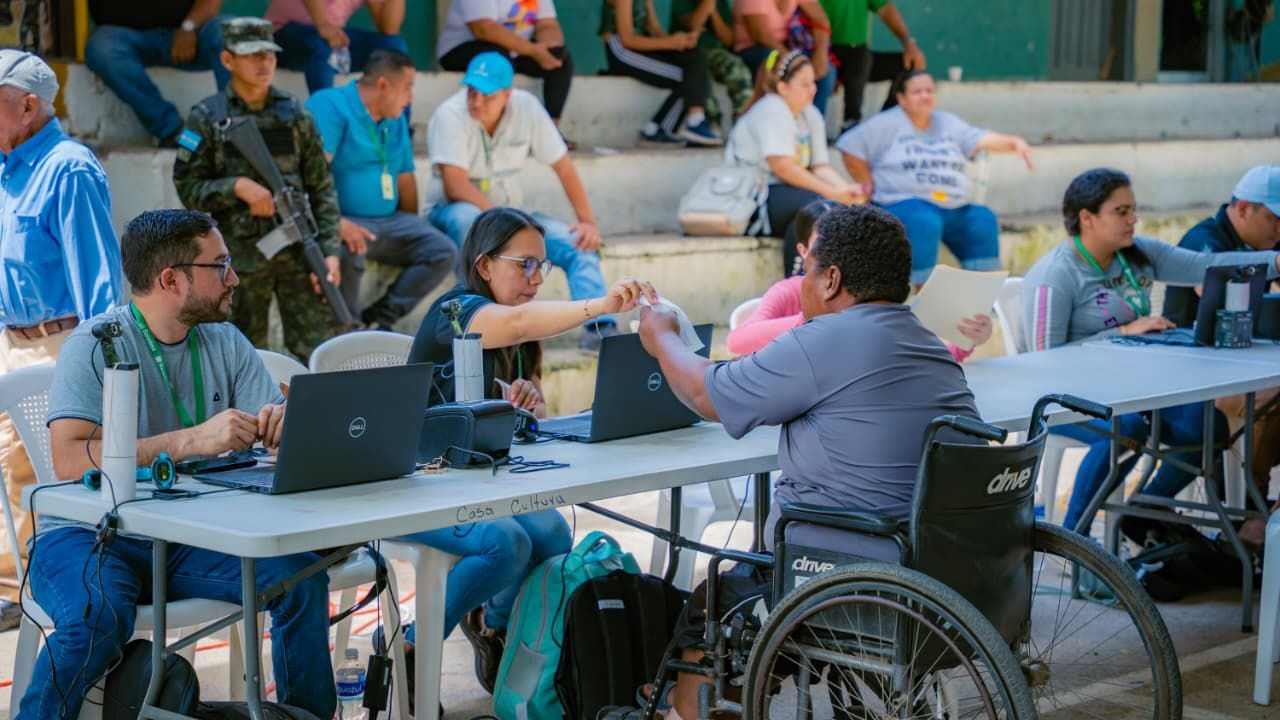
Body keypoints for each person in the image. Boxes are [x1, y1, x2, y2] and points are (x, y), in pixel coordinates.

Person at [638, 203, 980, 720]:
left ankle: (688, 712)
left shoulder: (826, 339)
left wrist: (660, 338)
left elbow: (707, 393)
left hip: (849, 570)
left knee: (717, 598)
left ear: (831, 278)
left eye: (807, 270)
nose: (801, 282)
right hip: (942, 571)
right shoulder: (927, 342)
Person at [23, 208, 334, 719]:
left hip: (189, 537)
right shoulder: (95, 344)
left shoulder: (225, 340)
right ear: (171, 279)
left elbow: (273, 424)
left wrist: (285, 423)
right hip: (90, 534)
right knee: (96, 617)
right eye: (221, 265)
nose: (234, 278)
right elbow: (68, 457)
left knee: (301, 578)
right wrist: (189, 441)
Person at [398, 207, 658, 695]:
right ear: (484, 265)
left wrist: (526, 403)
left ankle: (495, 627)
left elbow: (520, 417)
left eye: (543, 265)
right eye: (526, 264)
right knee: (509, 544)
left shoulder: (520, 337)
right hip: (420, 482)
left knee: (555, 537)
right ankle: (411, 648)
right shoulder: (454, 312)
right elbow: (515, 322)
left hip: (480, 478)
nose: (536, 278)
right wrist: (598, 304)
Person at [1021, 167, 1280, 535]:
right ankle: (1076, 545)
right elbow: (1043, 359)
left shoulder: (1137, 254)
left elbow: (1205, 267)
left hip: (1131, 390)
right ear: (1087, 218)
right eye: (1121, 212)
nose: (1133, 219)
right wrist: (1122, 331)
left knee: (1206, 427)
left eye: (1133, 209)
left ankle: (1141, 511)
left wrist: (1274, 262)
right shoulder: (1056, 275)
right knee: (1126, 429)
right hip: (1067, 396)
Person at [0, 50, 123, 632]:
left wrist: (97, 363)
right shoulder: (7, 165)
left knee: (52, 472)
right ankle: (11, 590)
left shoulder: (68, 167)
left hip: (60, 344)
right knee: (8, 471)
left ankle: (55, 592)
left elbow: (98, 282)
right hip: (10, 341)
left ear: (28, 106)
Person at [174, 17, 345, 361]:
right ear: (227, 61)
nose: (264, 63)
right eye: (252, 55)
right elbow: (188, 186)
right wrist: (235, 187)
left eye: (269, 54)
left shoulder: (295, 114)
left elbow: (322, 187)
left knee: (320, 350)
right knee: (242, 356)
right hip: (239, 261)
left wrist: (329, 250)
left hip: (298, 253)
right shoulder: (207, 117)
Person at [426, 52, 618, 354]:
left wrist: (588, 222)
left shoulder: (526, 107)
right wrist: (508, 224)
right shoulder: (450, 114)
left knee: (578, 241)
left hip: (511, 216)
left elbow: (565, 167)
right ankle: (480, 318)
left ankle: (601, 328)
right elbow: (456, 185)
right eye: (471, 91)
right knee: (468, 221)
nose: (476, 101)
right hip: (456, 209)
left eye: (487, 95)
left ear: (508, 94)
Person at [1161, 165, 1280, 545]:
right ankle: (1248, 512)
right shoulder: (1204, 243)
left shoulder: (1263, 246)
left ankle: (1256, 510)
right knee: (1262, 401)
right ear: (1244, 208)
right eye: (1275, 220)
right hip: (1190, 376)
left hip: (1239, 367)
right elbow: (1227, 308)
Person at [837, 69, 1033, 286]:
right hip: (905, 203)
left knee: (982, 218)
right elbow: (849, 146)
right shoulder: (887, 122)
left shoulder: (947, 122)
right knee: (924, 221)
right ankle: (923, 296)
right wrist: (867, 184)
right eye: (917, 91)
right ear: (901, 98)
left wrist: (1014, 142)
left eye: (929, 90)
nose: (925, 95)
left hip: (953, 205)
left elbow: (981, 138)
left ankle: (980, 296)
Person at [306, 50, 457, 330]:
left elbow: (405, 179)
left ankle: (379, 320)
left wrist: (412, 229)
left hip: (388, 223)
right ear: (383, 85)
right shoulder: (330, 105)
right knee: (346, 247)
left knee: (442, 249)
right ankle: (347, 331)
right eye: (407, 88)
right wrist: (336, 223)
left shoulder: (395, 117)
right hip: (340, 220)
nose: (411, 97)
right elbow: (309, 177)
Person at [726, 199, 992, 358]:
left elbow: (907, 365)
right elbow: (737, 341)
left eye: (845, 243)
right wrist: (809, 319)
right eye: (824, 245)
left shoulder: (866, 295)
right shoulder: (789, 291)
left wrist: (965, 342)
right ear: (804, 252)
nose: (836, 254)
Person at [725, 49, 863, 276]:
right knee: (819, 206)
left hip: (785, 199)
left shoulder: (810, 114)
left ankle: (807, 284)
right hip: (749, 202)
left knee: (829, 212)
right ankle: (798, 287)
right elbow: (783, 167)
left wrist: (847, 192)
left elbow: (821, 167)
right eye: (805, 84)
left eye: (814, 82)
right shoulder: (772, 109)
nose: (813, 89)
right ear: (782, 87)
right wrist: (833, 194)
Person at [84, 0, 228, 147]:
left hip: (192, 35)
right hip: (126, 38)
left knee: (230, 34)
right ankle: (173, 131)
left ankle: (234, 130)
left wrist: (189, 27)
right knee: (101, 48)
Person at [436, 0, 574, 138]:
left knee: (559, 58)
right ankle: (487, 131)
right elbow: (484, 29)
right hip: (462, 50)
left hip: (516, 51)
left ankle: (551, 132)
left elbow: (547, 24)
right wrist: (533, 51)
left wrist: (548, 47)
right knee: (498, 59)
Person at [600, 0, 721, 146]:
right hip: (622, 52)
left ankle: (694, 121)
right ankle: (666, 128)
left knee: (695, 57)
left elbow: (654, 28)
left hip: (642, 46)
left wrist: (681, 41)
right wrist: (671, 43)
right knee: (686, 78)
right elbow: (627, 39)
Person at [820, 0, 925, 132]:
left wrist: (908, 43)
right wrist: (824, 58)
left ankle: (882, 127)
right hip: (822, 53)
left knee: (908, 66)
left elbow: (886, 10)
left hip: (859, 56)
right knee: (859, 56)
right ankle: (851, 124)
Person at [265, 0, 409, 93]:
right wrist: (322, 24)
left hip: (329, 41)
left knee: (394, 48)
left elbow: (389, 29)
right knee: (323, 46)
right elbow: (324, 31)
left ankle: (398, 134)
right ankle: (324, 127)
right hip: (283, 34)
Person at [732, 0, 836, 114]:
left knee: (826, 70)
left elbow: (820, 19)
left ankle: (811, 123)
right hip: (754, 48)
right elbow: (760, 34)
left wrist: (821, 53)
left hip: (787, 47)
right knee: (775, 66)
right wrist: (791, 58)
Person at [671, 0, 752, 127]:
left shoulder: (721, 3)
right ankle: (710, 126)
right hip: (689, 53)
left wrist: (713, 11)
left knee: (737, 68)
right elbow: (694, 24)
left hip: (715, 52)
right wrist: (707, 4)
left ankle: (743, 123)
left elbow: (728, 39)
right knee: (701, 75)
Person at [1227, 0, 1274, 82]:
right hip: (1246, 25)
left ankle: (1252, 76)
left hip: (1252, 25)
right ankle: (1248, 76)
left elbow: (1269, 17)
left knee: (1253, 53)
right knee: (1250, 53)